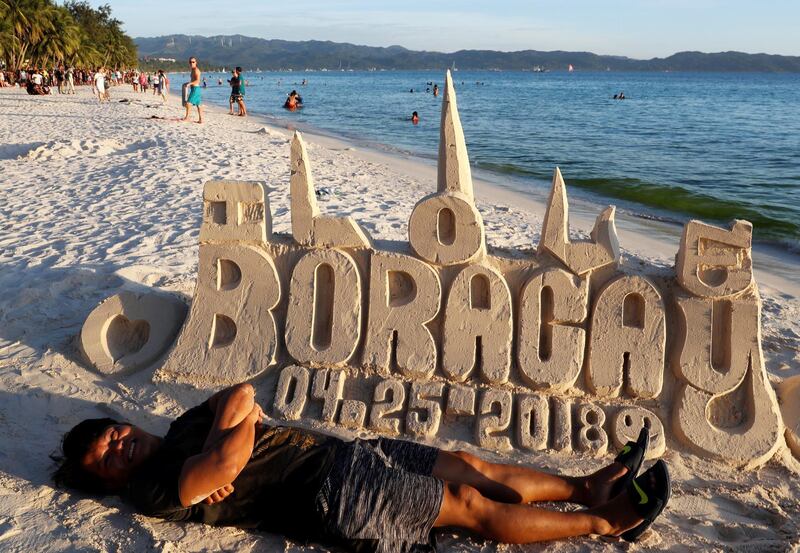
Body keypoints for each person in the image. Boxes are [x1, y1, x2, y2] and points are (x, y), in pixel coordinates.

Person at [53, 383, 671, 552]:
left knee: (466, 464)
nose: (119, 446)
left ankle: (585, 487)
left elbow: (236, 394)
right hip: (327, 493)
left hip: (340, 451)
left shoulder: (182, 429)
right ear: (106, 482)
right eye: (105, 459)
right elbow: (225, 461)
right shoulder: (153, 489)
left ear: (126, 425)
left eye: (114, 435)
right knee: (466, 508)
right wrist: (236, 434)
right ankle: (604, 524)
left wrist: (231, 425)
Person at [183, 57, 204, 123]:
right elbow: (193, 79)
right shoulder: (192, 70)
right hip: (195, 89)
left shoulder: (196, 70)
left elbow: (198, 81)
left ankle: (187, 117)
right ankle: (201, 119)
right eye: (190, 62)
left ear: (196, 62)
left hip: (195, 89)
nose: (192, 63)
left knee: (188, 103)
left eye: (193, 62)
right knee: (198, 105)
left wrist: (190, 83)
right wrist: (188, 83)